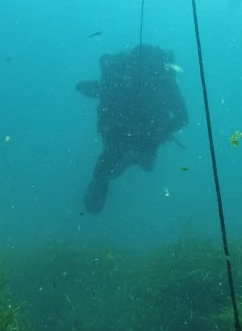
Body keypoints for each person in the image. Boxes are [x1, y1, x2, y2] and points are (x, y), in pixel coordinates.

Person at [76, 44, 188, 214]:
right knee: (145, 164)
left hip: (119, 129)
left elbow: (96, 90)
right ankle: (110, 175)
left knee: (113, 162)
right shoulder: (164, 79)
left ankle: (101, 184)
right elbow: (182, 118)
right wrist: (161, 132)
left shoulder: (121, 77)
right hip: (146, 133)